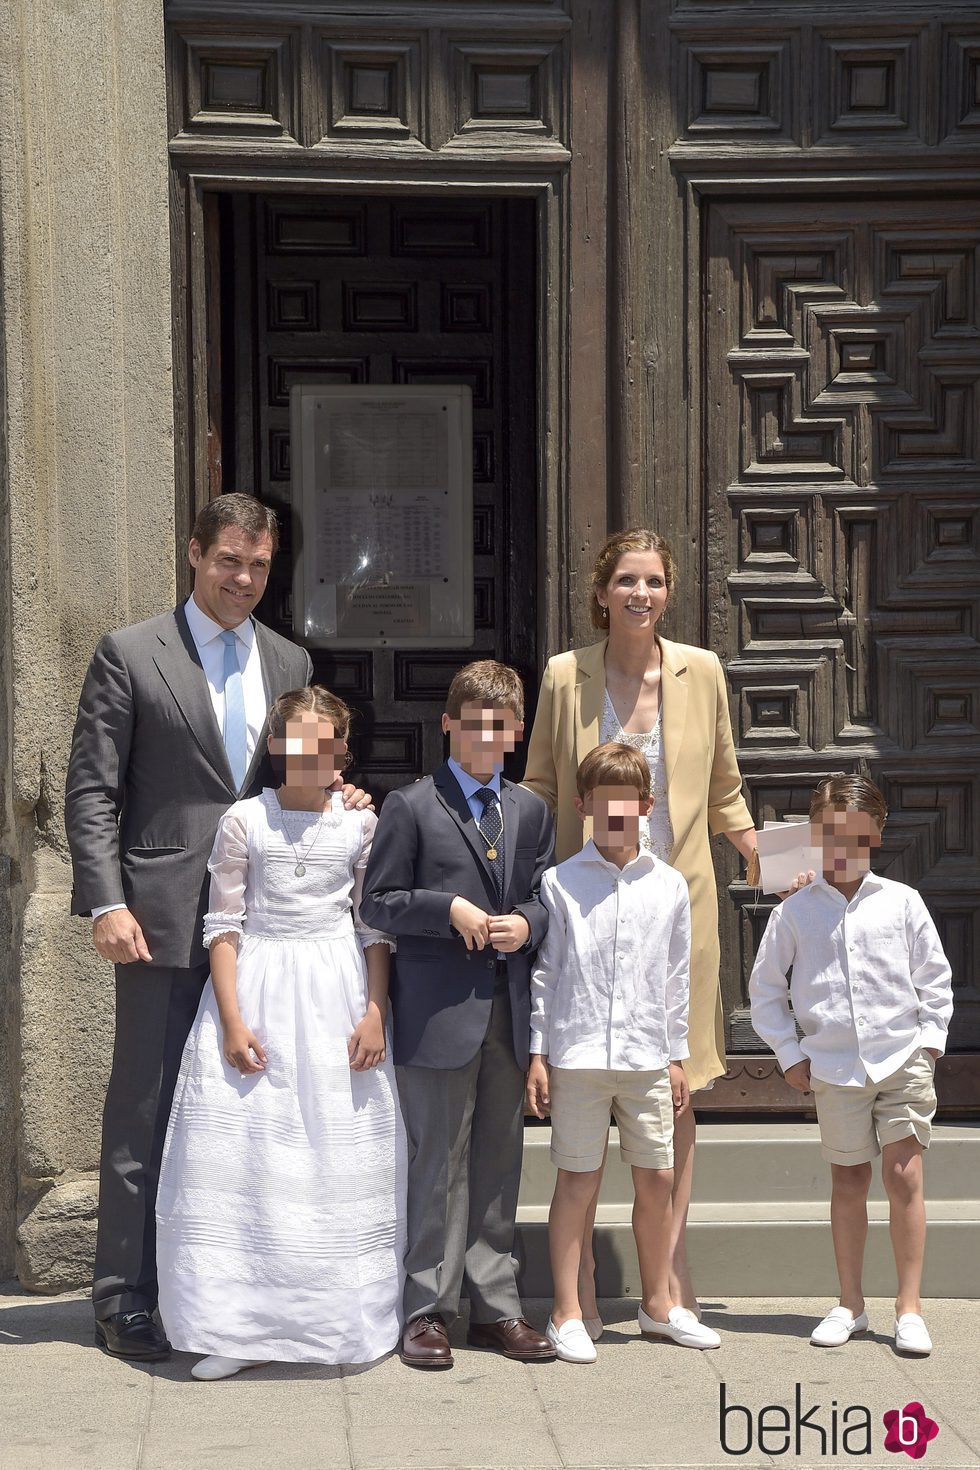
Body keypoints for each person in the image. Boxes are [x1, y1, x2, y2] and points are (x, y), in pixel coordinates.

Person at [65, 493, 368, 1361]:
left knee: (247, 1114)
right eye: (230, 560)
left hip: (268, 931)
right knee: (146, 1111)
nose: (244, 579)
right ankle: (126, 1295)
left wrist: (338, 794)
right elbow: (92, 789)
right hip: (159, 917)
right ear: (194, 554)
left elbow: (296, 771)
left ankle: (237, 1291)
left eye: (261, 565)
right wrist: (106, 900)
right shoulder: (129, 652)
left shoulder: (289, 656)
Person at [523, 528, 756, 1319]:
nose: (640, 594)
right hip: (585, 908)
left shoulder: (703, 672)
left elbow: (724, 787)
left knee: (675, 1093)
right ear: (601, 592)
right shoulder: (564, 676)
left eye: (653, 581)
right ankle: (578, 1289)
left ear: (668, 592)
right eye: (626, 579)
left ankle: (669, 1281)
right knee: (588, 1095)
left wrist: (763, 856)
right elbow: (541, 787)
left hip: (671, 911)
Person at [156, 687, 405, 1379]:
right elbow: (224, 925)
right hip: (259, 987)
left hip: (335, 991)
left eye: (327, 743)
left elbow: (372, 927)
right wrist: (232, 1020)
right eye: (298, 741)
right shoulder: (244, 822)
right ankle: (236, 1327)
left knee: (330, 1160)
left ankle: (336, 1319)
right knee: (251, 1158)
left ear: (342, 753)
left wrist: (375, 1011)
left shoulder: (361, 826)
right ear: (275, 747)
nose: (312, 755)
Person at [360, 660, 557, 1369]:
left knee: (499, 1164)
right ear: (448, 725)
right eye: (472, 724)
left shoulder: (530, 810)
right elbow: (377, 903)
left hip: (507, 1012)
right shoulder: (411, 806)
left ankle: (496, 1307)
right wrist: (448, 910)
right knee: (436, 1164)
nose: (485, 737)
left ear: (516, 732)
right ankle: (427, 1309)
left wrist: (527, 925)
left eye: (499, 726)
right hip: (437, 1014)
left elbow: (543, 897)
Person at [526, 743, 721, 1361]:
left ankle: (659, 1305)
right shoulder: (559, 882)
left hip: (645, 1057)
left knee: (657, 1179)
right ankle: (566, 1311)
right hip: (578, 1054)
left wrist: (675, 1055)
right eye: (601, 803)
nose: (615, 814)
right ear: (584, 805)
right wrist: (538, 1053)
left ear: (646, 805)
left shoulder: (667, 887)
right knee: (577, 1180)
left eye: (627, 803)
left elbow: (673, 977)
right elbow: (547, 975)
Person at [749, 775, 953, 1356]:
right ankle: (850, 1304)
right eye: (834, 838)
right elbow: (765, 990)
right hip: (834, 1068)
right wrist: (790, 1054)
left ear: (878, 837)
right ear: (815, 836)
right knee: (849, 1180)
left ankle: (909, 1308)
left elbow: (934, 979)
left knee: (905, 1175)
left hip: (901, 1057)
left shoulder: (902, 901)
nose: (846, 852)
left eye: (859, 840)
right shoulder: (795, 912)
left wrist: (929, 1043)